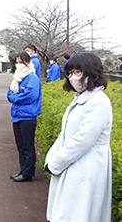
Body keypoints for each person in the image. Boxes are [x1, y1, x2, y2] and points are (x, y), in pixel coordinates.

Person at [45, 53, 112, 222]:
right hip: (72, 162)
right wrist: (51, 158)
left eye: (78, 72)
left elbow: (83, 140)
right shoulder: (80, 99)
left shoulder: (98, 101)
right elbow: (65, 133)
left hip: (87, 165)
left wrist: (56, 162)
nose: (73, 77)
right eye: (70, 73)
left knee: (80, 213)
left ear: (91, 72)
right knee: (69, 212)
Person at [7, 52, 41, 182]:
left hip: (27, 116)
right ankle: (22, 170)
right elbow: (9, 93)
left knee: (27, 146)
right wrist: (15, 98)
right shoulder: (17, 78)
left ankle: (28, 173)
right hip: (17, 115)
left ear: (27, 62)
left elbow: (31, 96)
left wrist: (16, 98)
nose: (18, 64)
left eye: (21, 62)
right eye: (16, 62)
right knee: (20, 145)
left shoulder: (32, 78)